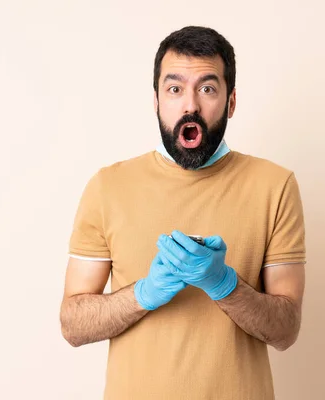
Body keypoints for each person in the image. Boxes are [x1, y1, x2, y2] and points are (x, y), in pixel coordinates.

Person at [60, 25, 307, 400]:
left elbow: (286, 330)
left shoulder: (275, 186)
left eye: (207, 88)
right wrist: (144, 293)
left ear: (231, 101)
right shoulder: (108, 187)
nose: (190, 105)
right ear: (156, 101)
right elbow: (73, 325)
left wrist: (224, 285)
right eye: (174, 89)